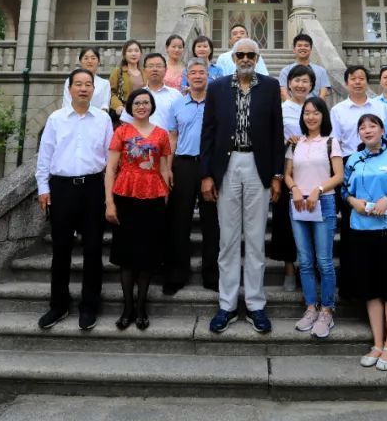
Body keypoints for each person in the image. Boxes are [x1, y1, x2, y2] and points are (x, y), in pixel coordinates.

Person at [200, 37, 284, 334]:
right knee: (229, 239)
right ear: (233, 58)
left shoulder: (271, 87)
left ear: (257, 57)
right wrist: (207, 174)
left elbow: (277, 133)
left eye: (250, 54)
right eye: (240, 55)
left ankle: (255, 304)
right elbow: (208, 132)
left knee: (256, 236)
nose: (245, 59)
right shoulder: (218, 87)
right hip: (228, 165)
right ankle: (227, 304)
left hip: (258, 167)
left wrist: (276, 175)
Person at [35, 68, 114, 331]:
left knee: (93, 249)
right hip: (62, 189)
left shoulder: (103, 120)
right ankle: (58, 304)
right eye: (78, 84)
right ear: (69, 89)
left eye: (88, 84)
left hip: (93, 188)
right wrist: (43, 188)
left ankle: (89, 305)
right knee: (61, 251)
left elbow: (110, 159)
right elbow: (44, 156)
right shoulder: (56, 119)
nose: (83, 88)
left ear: (93, 89)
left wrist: (109, 194)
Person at [341, 114, 387, 371]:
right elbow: (344, 190)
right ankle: (377, 342)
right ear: (358, 134)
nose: (367, 130)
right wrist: (353, 202)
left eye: (372, 126)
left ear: (382, 130)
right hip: (362, 231)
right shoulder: (353, 160)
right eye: (362, 127)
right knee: (371, 289)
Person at [104, 89, 173, 331]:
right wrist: (109, 202)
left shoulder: (162, 134)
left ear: (152, 106)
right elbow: (111, 168)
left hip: (153, 196)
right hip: (125, 195)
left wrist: (166, 195)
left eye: (146, 102)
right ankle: (127, 307)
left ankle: (142, 306)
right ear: (130, 106)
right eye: (137, 102)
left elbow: (164, 168)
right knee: (126, 255)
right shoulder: (121, 131)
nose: (141, 106)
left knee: (147, 255)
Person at [284, 97, 343, 338]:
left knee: (324, 261)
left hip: (323, 202)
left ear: (323, 116)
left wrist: (318, 189)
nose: (311, 116)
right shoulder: (295, 144)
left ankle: (327, 310)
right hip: (298, 203)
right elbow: (287, 174)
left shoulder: (331, 142)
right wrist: (294, 188)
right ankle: (311, 307)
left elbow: (338, 175)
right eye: (307, 112)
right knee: (305, 261)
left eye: (316, 112)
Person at [162, 57, 220, 295]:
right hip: (183, 165)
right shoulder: (177, 104)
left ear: (208, 76)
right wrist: (166, 168)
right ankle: (177, 275)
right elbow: (171, 138)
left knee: (211, 223)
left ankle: (212, 275)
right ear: (187, 76)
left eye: (201, 72)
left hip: (210, 167)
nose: (197, 76)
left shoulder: (217, 104)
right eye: (193, 72)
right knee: (179, 222)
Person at [330, 65, 387, 299]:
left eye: (361, 78)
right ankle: (351, 283)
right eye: (353, 79)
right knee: (351, 224)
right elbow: (334, 143)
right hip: (349, 166)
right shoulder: (338, 110)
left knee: (378, 221)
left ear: (367, 82)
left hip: (378, 166)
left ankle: (378, 280)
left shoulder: (380, 107)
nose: (357, 82)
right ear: (346, 83)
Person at [272, 64, 317, 292]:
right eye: (296, 80)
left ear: (312, 85)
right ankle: (289, 268)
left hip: (314, 170)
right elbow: (272, 141)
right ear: (289, 84)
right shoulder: (281, 109)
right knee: (285, 220)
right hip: (288, 169)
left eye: (305, 81)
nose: (300, 85)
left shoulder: (316, 109)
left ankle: (310, 266)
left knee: (312, 216)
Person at [119, 53, 183, 128]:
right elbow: (126, 121)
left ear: (165, 70)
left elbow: (183, 121)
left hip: (168, 139)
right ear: (144, 70)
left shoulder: (176, 95)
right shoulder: (136, 95)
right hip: (141, 139)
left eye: (158, 66)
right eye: (150, 66)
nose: (154, 69)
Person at [278, 33, 331, 101]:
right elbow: (283, 93)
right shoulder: (286, 71)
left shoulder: (321, 71)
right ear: (294, 49)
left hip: (314, 109)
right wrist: (294, 108)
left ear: (311, 49)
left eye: (306, 46)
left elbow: (323, 94)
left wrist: (314, 108)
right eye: (299, 45)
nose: (303, 48)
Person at [62, 46, 111, 112]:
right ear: (80, 62)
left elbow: (105, 106)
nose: (90, 61)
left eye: (93, 58)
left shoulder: (105, 83)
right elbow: (67, 103)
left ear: (99, 62)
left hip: (97, 119)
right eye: (86, 58)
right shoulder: (70, 81)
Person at [109, 39, 144, 122]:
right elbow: (111, 92)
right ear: (124, 54)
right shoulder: (118, 72)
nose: (133, 54)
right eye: (130, 51)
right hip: (125, 114)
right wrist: (118, 105)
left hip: (143, 113)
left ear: (140, 54)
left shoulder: (145, 72)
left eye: (136, 51)